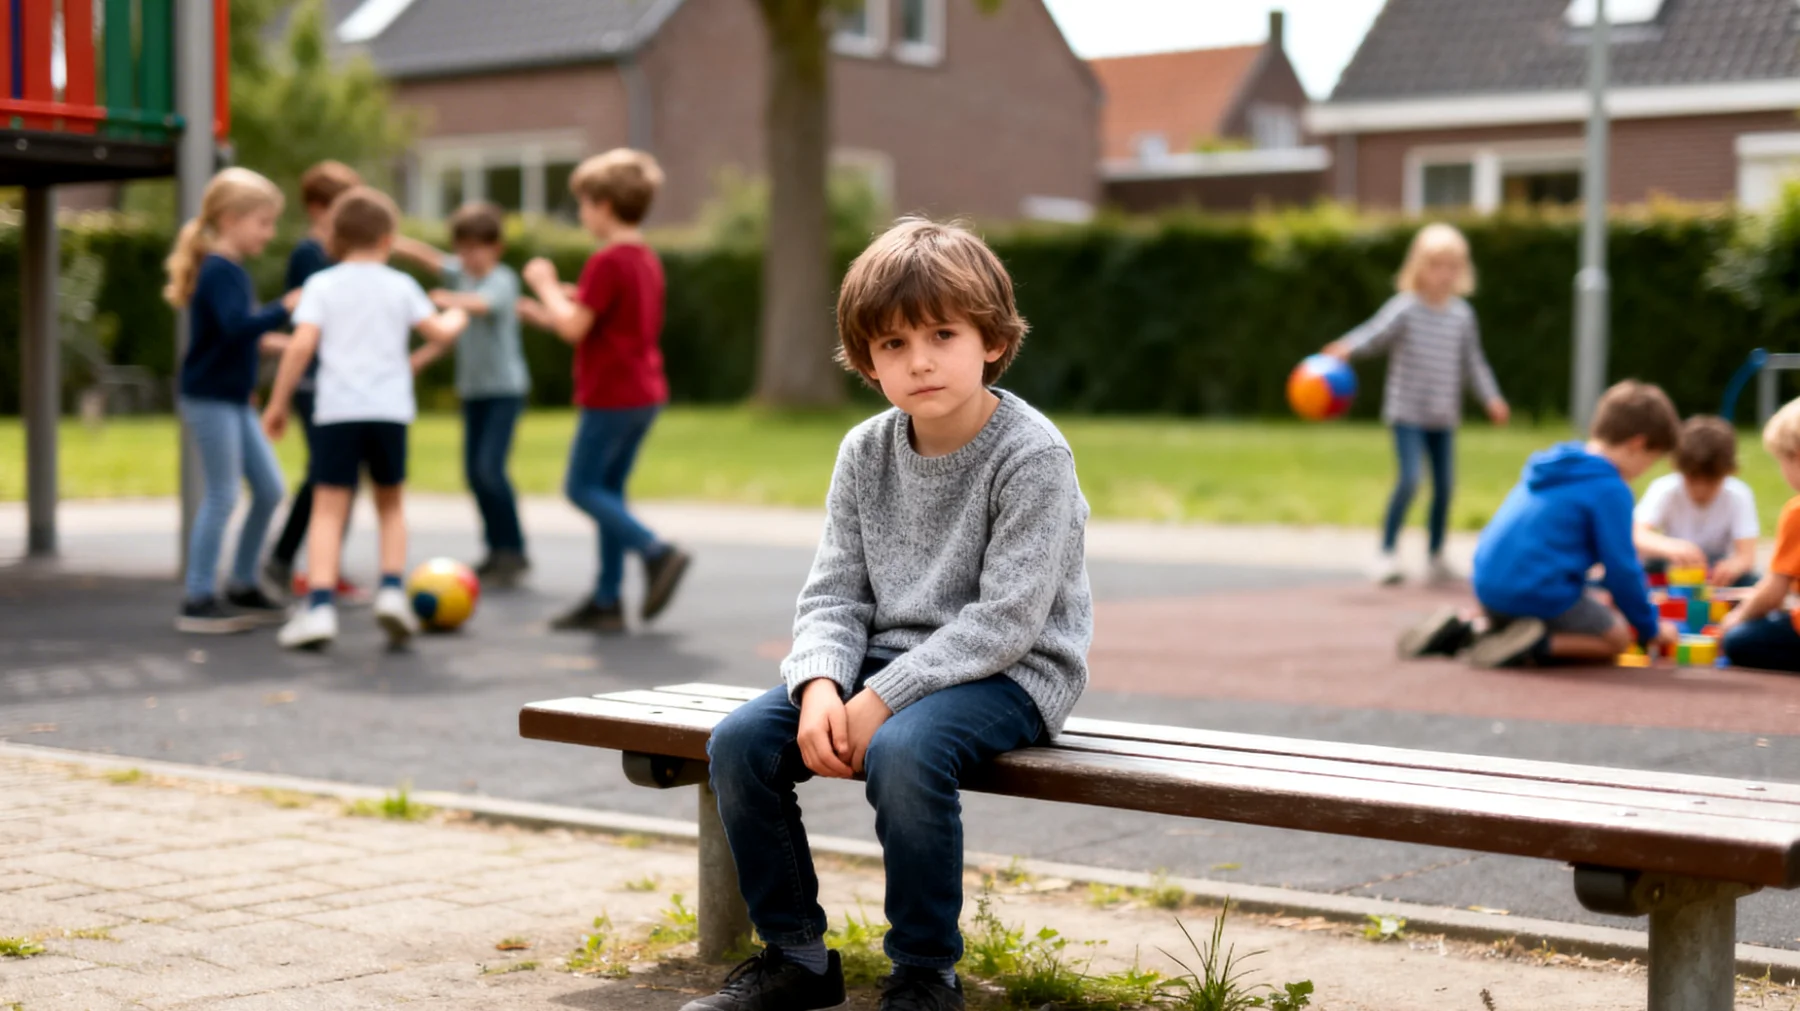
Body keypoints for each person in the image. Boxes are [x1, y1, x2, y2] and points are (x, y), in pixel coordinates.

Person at [684, 219, 1092, 1011]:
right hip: (882, 662)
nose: (921, 360)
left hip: (1012, 670)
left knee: (903, 751)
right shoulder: (865, 450)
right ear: (868, 362)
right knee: (740, 742)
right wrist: (821, 687)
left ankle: (924, 973)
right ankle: (797, 957)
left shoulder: (1032, 454)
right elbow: (835, 593)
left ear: (993, 340)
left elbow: (1005, 620)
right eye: (894, 344)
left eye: (943, 333)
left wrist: (881, 697)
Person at [262, 187, 468, 650]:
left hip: (337, 412)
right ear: (389, 237)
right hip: (389, 411)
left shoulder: (322, 284)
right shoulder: (401, 285)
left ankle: (317, 608)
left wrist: (277, 404)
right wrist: (456, 316)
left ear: (335, 235)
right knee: (390, 505)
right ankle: (393, 592)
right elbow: (438, 331)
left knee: (328, 510)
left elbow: (299, 347)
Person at [516, 148, 690, 633]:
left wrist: (546, 284)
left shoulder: (607, 259)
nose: (581, 214)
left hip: (611, 395)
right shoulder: (643, 258)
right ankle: (607, 598)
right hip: (643, 393)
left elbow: (575, 329)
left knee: (581, 487)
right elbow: (601, 316)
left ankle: (658, 552)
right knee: (608, 490)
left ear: (605, 205)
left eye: (584, 204)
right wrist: (553, 307)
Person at [1399, 380, 1680, 668]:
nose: (1645, 470)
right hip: (1535, 595)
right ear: (1638, 444)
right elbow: (1622, 568)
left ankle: (1469, 632)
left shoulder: (1558, 466)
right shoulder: (1610, 488)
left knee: (1579, 598)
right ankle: (1533, 645)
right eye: (1652, 459)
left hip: (1487, 588)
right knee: (1617, 640)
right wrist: (1650, 628)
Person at [1323, 223, 1510, 586]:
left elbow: (1474, 362)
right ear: (1419, 267)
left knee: (1444, 487)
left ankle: (1436, 555)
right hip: (1407, 413)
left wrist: (1492, 397)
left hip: (1443, 415)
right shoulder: (1406, 308)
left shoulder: (1461, 315)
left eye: (1453, 267)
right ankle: (1386, 552)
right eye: (1437, 265)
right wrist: (1345, 348)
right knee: (1410, 480)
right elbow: (1374, 334)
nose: (1444, 274)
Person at [164, 167, 299, 634]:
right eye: (263, 222)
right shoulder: (219, 270)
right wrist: (285, 308)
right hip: (209, 398)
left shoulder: (230, 270)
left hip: (234, 398)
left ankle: (242, 583)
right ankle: (198, 597)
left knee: (269, 489)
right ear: (229, 219)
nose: (270, 232)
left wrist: (280, 345)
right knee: (223, 493)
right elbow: (237, 327)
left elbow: (238, 335)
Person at [392, 202, 533, 586]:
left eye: (477, 248)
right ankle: (495, 549)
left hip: (504, 390)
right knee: (474, 473)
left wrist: (447, 300)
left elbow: (482, 305)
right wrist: (390, 238)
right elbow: (428, 258)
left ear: (496, 247)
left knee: (490, 469)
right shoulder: (461, 275)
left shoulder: (500, 279)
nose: (468, 256)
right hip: (473, 391)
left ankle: (514, 550)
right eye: (463, 248)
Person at [265, 160, 366, 601]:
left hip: (346, 379)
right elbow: (311, 323)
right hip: (314, 382)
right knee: (325, 475)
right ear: (317, 208)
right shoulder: (310, 254)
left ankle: (323, 567)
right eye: (338, 205)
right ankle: (286, 561)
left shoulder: (348, 253)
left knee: (342, 476)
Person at [1633, 414, 1759, 587]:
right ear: (1680, 469)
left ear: (1727, 472)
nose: (1701, 489)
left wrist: (1734, 567)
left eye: (1711, 481)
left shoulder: (1739, 494)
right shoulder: (1665, 489)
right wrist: (1670, 547)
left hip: (1715, 573)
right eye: (1692, 479)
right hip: (1673, 568)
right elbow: (1636, 534)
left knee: (1752, 581)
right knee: (1636, 572)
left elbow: (1746, 556)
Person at [1721, 398, 1800, 672]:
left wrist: (1738, 617)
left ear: (1795, 456)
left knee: (1739, 640)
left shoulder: (1797, 512)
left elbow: (1773, 593)